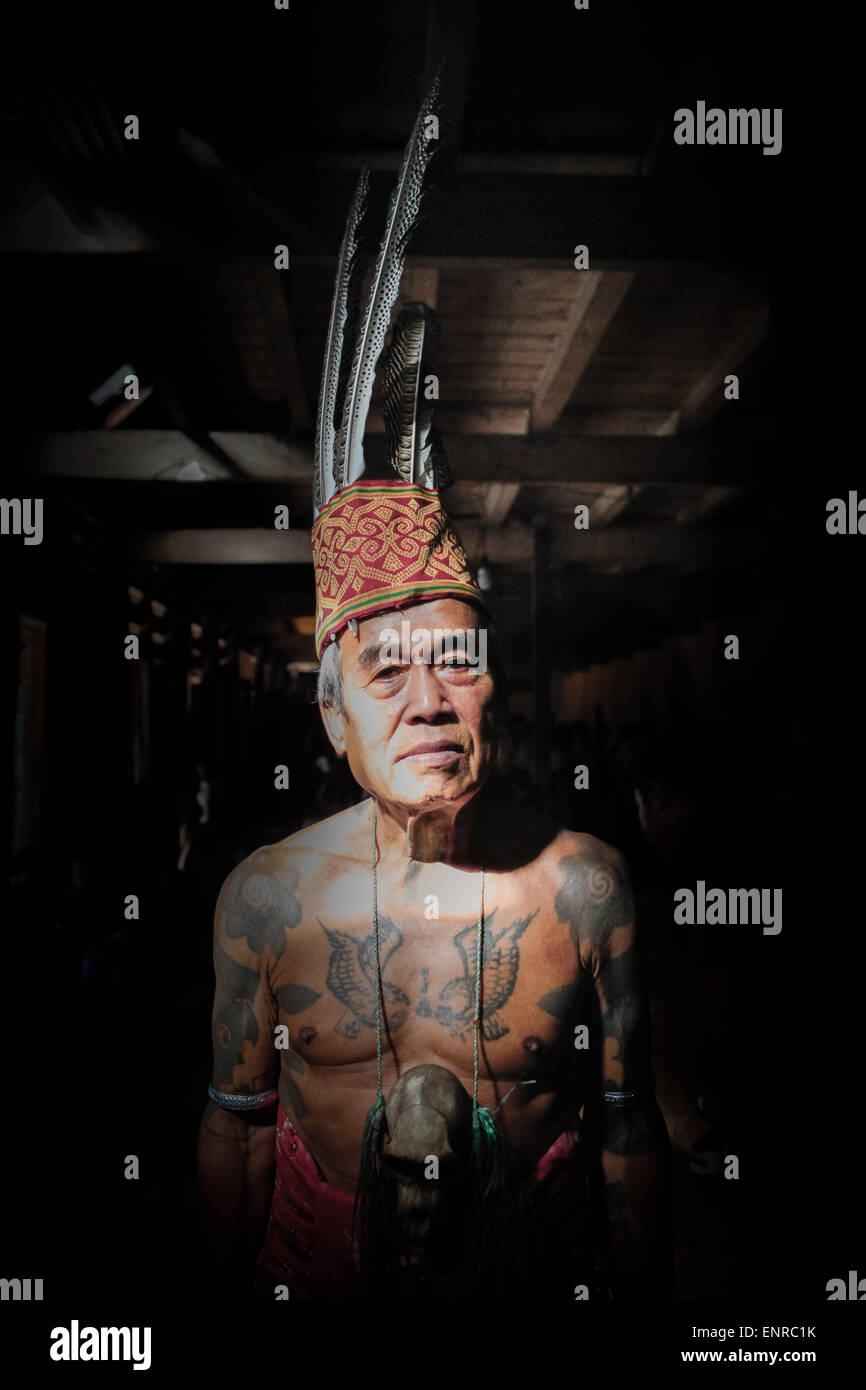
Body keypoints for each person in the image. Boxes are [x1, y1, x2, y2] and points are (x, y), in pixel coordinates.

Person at [195, 78, 670, 1301]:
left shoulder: (585, 886)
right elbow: (238, 1127)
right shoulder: (265, 902)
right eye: (382, 668)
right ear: (330, 710)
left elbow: (626, 1127)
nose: (426, 696)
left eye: (454, 658)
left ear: (492, 685)